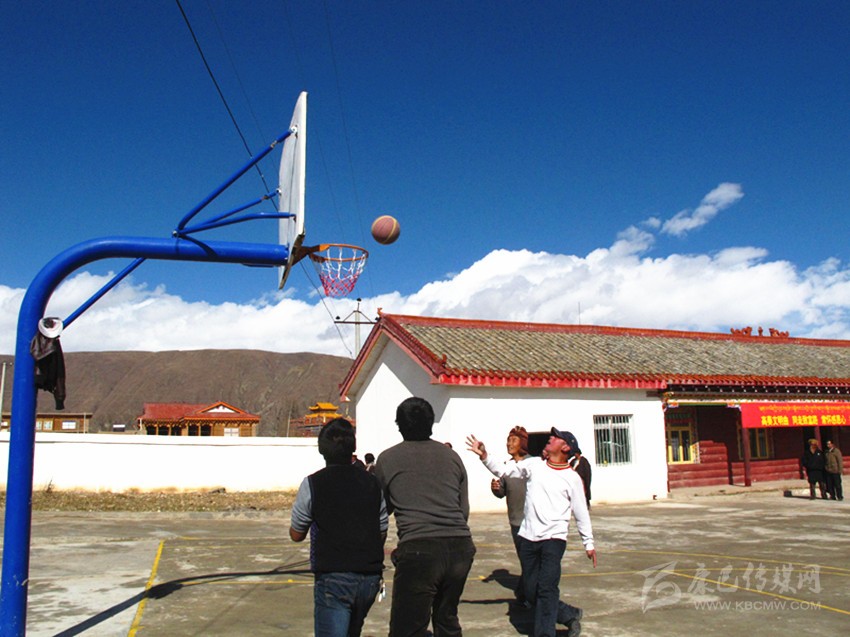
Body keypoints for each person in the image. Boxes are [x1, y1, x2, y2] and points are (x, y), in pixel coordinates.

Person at [467, 428, 596, 637]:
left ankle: (544, 633)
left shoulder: (572, 478)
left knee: (547, 588)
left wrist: (588, 543)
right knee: (530, 590)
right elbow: (505, 470)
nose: (550, 438)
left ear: (565, 447)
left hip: (553, 540)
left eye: (556, 437)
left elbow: (581, 512)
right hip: (528, 537)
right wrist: (484, 455)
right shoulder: (535, 465)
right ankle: (569, 614)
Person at [375, 397, 476, 637]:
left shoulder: (387, 459)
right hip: (460, 547)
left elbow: (381, 511)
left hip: (419, 549)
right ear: (431, 423)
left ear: (399, 425)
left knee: (407, 628)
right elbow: (463, 510)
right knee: (447, 619)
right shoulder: (452, 457)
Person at [289, 418, 388, 637]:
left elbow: (296, 534)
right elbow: (382, 528)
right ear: (353, 448)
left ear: (321, 450)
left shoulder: (313, 483)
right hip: (369, 577)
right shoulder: (372, 483)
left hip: (333, 576)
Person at [490, 426, 530, 602]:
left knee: (529, 561)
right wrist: (496, 489)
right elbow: (502, 492)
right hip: (515, 521)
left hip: (531, 521)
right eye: (508, 440)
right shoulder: (506, 467)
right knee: (525, 560)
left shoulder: (532, 464)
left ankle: (525, 594)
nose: (509, 444)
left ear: (523, 443)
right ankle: (525, 593)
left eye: (513, 440)